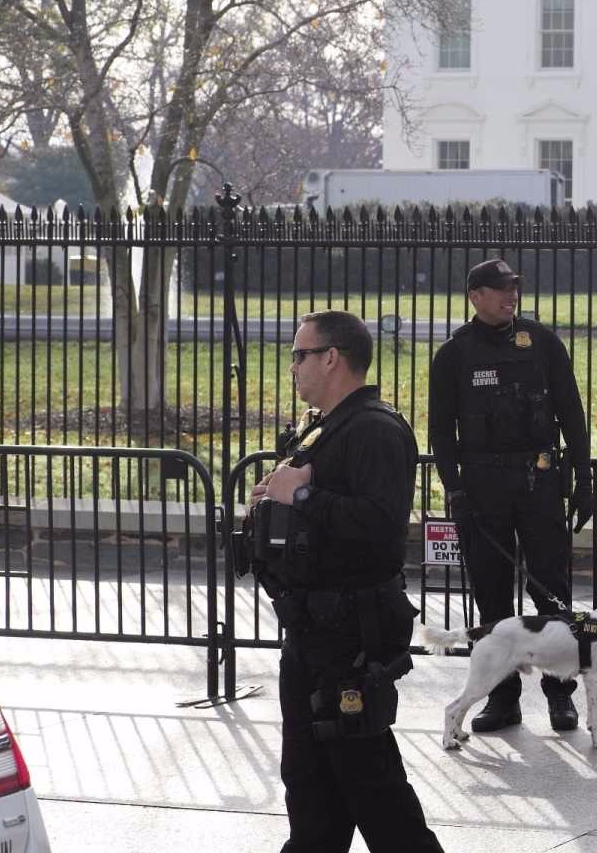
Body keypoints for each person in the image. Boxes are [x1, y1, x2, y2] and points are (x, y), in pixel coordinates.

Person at [251, 310, 442, 852]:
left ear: (331, 357)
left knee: (377, 795)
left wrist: (303, 496)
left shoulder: (374, 430)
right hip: (311, 633)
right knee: (311, 796)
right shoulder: (326, 429)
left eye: (299, 354)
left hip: (348, 639)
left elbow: (382, 529)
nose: (293, 367)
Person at [428, 258, 595, 735]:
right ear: (475, 295)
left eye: (514, 288)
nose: (511, 296)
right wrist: (454, 488)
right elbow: (440, 431)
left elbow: (571, 415)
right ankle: (502, 700)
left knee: (551, 591)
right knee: (492, 596)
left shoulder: (541, 342)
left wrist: (583, 479)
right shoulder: (454, 354)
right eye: (500, 290)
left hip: (538, 482)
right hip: (482, 487)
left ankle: (561, 696)